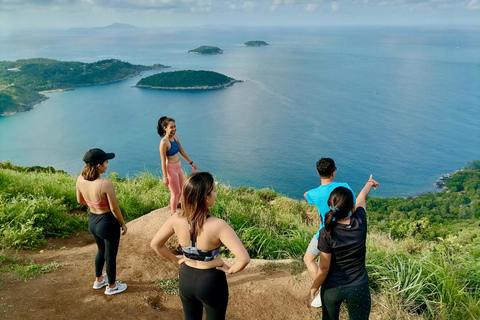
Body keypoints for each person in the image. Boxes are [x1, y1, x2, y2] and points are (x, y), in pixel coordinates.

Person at [150, 172, 250, 320]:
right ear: (206, 197)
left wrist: (176, 260)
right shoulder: (218, 225)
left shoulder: (175, 219)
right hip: (211, 280)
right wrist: (230, 270)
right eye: (214, 191)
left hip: (186, 277)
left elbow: (155, 244)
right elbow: (244, 259)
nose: (215, 194)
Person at [305, 175, 380, 320]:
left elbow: (324, 268)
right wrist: (369, 183)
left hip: (332, 288)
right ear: (351, 207)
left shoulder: (326, 232)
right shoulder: (360, 221)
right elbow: (362, 197)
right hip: (358, 287)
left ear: (330, 205)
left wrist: (313, 289)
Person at [303, 158, 356, 307]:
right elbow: (354, 206)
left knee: (308, 259)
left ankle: (322, 290)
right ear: (334, 172)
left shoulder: (315, 194)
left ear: (317, 172)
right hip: (346, 234)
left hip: (324, 233)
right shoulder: (344, 187)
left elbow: (306, 195)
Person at [76, 148, 128, 295]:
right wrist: (122, 223)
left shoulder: (80, 178)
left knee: (101, 250)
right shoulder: (105, 183)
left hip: (92, 221)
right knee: (110, 256)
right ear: (99, 165)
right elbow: (115, 209)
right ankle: (112, 286)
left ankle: (99, 280)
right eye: (106, 162)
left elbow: (80, 200)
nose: (108, 164)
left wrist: (94, 205)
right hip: (107, 223)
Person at [158, 116, 198, 214]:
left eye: (175, 126)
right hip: (170, 169)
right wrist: (165, 177)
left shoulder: (176, 137)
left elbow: (182, 151)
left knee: (182, 190)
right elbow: (163, 161)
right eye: (171, 127)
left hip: (178, 167)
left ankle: (177, 206)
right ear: (165, 128)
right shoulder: (164, 143)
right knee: (175, 193)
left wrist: (191, 163)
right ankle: (173, 214)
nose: (174, 129)